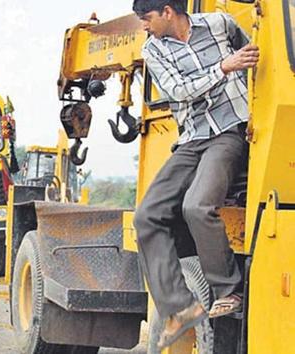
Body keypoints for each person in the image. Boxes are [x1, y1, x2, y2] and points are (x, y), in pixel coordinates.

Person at [131, 0, 259, 349]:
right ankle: (179, 310)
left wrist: (250, 96)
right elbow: (178, 91)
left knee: (197, 207)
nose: (144, 26)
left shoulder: (220, 24)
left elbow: (254, 54)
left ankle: (229, 293)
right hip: (191, 139)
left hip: (229, 133)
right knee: (146, 216)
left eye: (147, 18)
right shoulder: (153, 50)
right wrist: (223, 68)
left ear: (168, 11)